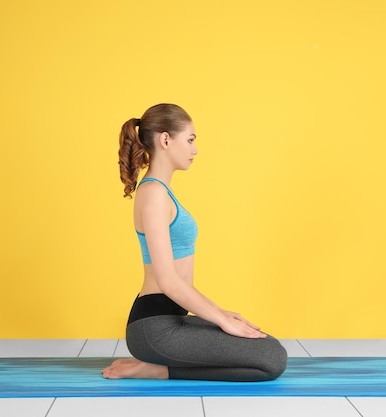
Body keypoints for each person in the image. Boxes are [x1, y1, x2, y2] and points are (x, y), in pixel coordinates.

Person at [102, 103, 287, 381]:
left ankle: (158, 366)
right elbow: (167, 280)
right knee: (272, 360)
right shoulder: (153, 194)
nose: (195, 149)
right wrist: (221, 320)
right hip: (155, 329)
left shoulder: (161, 192)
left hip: (172, 320)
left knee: (268, 348)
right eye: (190, 140)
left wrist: (222, 312)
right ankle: (156, 370)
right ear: (166, 140)